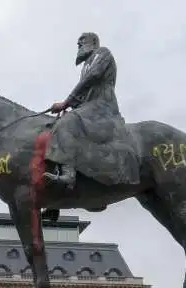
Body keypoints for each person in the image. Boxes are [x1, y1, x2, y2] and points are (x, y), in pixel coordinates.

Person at [43, 32, 140, 190]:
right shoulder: (86, 65)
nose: (79, 44)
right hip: (89, 107)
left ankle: (69, 176)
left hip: (102, 105)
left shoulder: (102, 53)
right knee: (61, 123)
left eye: (82, 41)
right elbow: (83, 95)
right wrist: (67, 106)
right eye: (78, 42)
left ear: (93, 41)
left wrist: (66, 103)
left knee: (68, 123)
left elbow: (93, 77)